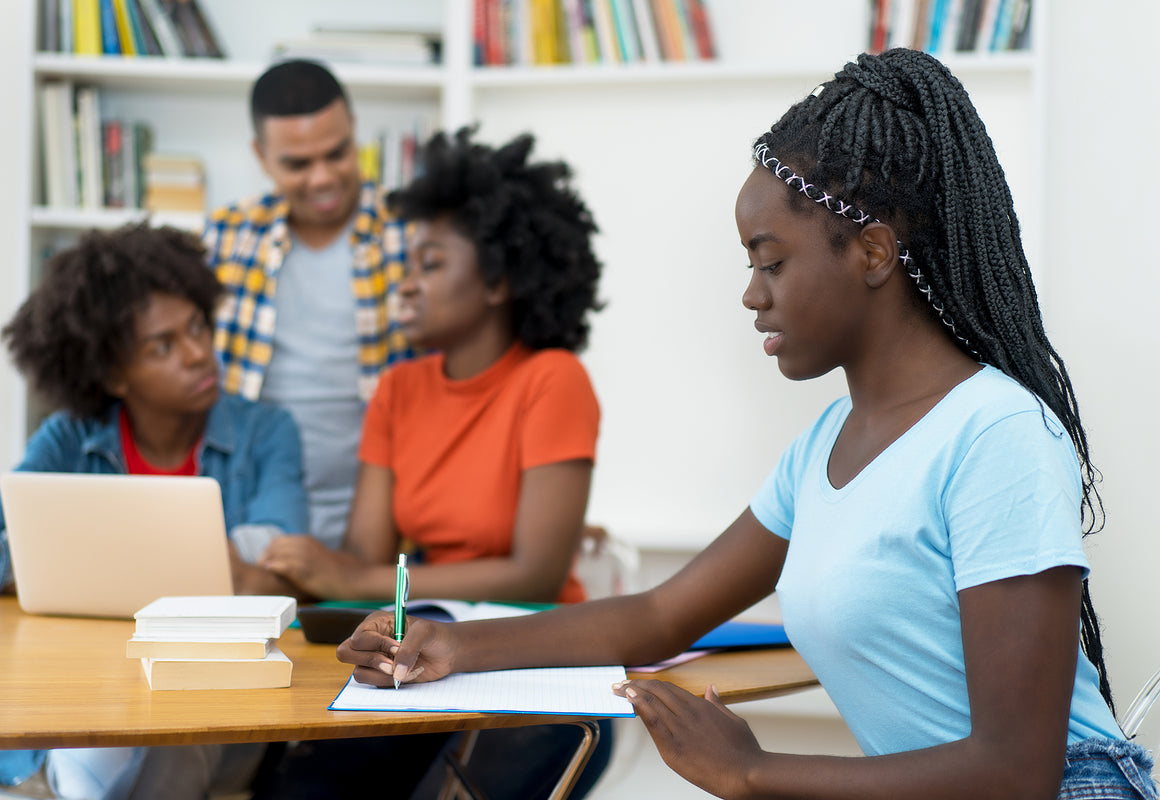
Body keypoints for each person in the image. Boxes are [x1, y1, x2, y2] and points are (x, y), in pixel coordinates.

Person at [337, 49, 1159, 800]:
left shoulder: (996, 435)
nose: (751, 293)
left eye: (771, 262)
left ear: (873, 254)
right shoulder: (825, 450)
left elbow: (1013, 771)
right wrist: (446, 648)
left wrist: (750, 770)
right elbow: (659, 617)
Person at [249, 127, 613, 800]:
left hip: (536, 663)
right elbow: (364, 556)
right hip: (421, 657)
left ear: (500, 281)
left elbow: (536, 572)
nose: (406, 285)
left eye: (431, 264)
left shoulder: (552, 381)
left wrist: (362, 576)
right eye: (407, 265)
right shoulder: (399, 389)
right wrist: (313, 572)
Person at [0, 223, 308, 800]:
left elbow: (281, 554)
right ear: (112, 374)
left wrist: (80, 557)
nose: (199, 353)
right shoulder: (70, 438)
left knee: (170, 736)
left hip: (208, 698)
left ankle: (69, 774)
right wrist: (181, 562)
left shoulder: (265, 431)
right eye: (163, 346)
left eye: (197, 327)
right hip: (82, 683)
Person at [203, 58, 413, 556]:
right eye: (297, 164)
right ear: (261, 155)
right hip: (253, 518)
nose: (321, 178)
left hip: (388, 529)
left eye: (337, 154)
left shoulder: (412, 231)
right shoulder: (225, 237)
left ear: (355, 132)